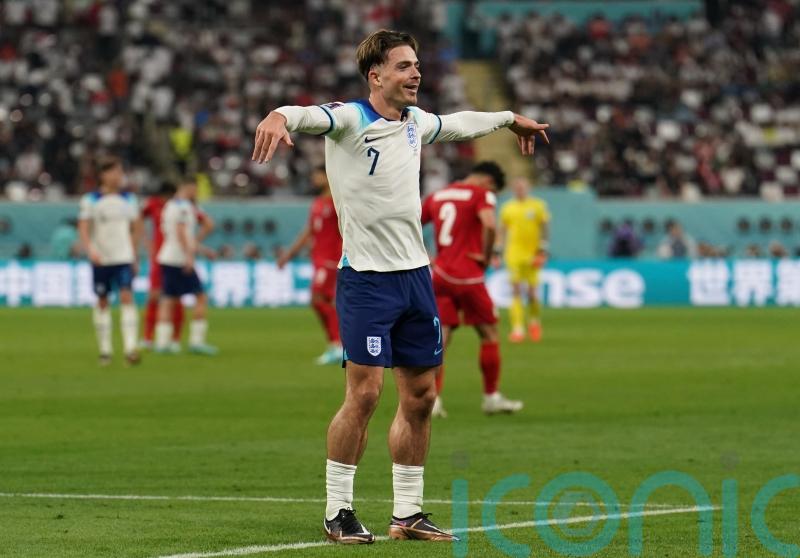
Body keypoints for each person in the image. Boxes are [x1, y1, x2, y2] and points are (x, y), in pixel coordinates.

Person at [252, 29, 549, 544]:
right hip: (366, 280)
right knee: (364, 394)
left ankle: (407, 513)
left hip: (416, 277)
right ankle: (337, 510)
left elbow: (458, 124)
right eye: (405, 66)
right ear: (377, 75)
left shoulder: (415, 123)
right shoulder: (349, 119)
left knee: (421, 395)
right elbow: (304, 114)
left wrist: (506, 117)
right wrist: (278, 115)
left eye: (417, 65)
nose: (416, 73)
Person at [421, 161, 523, 418]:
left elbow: (410, 225)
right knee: (489, 334)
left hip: (440, 276)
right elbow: (489, 224)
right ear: (489, 182)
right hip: (468, 276)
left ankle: (433, 401)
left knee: (440, 340)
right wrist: (487, 257)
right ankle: (491, 398)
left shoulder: (438, 195)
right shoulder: (481, 194)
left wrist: (426, 256)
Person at [78, 155, 142, 366]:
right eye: (114, 172)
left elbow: (137, 228)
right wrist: (90, 250)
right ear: (103, 175)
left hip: (123, 257)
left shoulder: (129, 200)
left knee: (127, 297)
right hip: (101, 258)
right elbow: (84, 228)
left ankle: (131, 348)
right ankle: (105, 350)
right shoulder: (90, 200)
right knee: (103, 301)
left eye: (120, 172)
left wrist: (133, 253)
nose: (118, 176)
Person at [277, 166, 343, 365]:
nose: (314, 179)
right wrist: (289, 254)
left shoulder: (338, 201)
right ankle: (336, 345)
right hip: (319, 258)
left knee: (318, 298)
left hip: (331, 259)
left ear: (328, 176)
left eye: (318, 175)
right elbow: (309, 231)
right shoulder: (317, 203)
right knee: (326, 300)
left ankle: (337, 345)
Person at [141, 180, 214, 350]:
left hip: (166, 256)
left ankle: (162, 342)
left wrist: (200, 248)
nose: (196, 193)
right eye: (195, 189)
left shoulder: (169, 206)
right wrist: (189, 256)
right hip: (179, 259)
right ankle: (197, 342)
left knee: (168, 299)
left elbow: (174, 235)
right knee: (201, 297)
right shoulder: (183, 207)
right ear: (187, 188)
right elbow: (181, 233)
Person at [496, 178, 550, 343]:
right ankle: (518, 328)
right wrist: (497, 251)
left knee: (532, 294)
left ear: (528, 188)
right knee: (516, 290)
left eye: (523, 187)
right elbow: (502, 231)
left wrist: (543, 248)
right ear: (513, 189)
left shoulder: (538, 206)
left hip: (533, 254)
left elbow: (545, 227)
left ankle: (534, 321)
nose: (520, 190)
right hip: (514, 255)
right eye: (517, 187)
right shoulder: (508, 208)